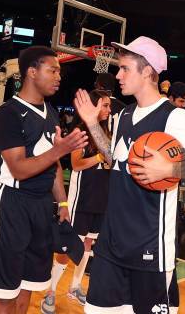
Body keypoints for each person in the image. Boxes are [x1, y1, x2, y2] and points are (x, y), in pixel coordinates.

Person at [74, 36, 185, 313]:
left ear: (147, 71)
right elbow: (115, 159)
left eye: (125, 68)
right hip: (111, 243)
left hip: (149, 249)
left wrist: (171, 169)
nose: (118, 75)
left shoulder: (174, 117)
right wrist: (92, 123)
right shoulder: (123, 115)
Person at [0, 46, 88, 314]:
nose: (59, 76)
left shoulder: (51, 113)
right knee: (5, 292)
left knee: (28, 286)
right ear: (32, 72)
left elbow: (54, 164)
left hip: (41, 206)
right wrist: (59, 149)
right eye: (53, 70)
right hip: (10, 205)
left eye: (59, 71)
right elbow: (19, 169)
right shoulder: (7, 114)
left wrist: (62, 203)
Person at [41, 90, 112, 313]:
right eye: (106, 105)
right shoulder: (80, 131)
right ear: (94, 106)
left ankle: (75, 287)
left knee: (88, 246)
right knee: (68, 248)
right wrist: (101, 157)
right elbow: (77, 164)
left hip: (101, 199)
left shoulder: (106, 132)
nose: (109, 110)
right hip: (82, 199)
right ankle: (50, 291)